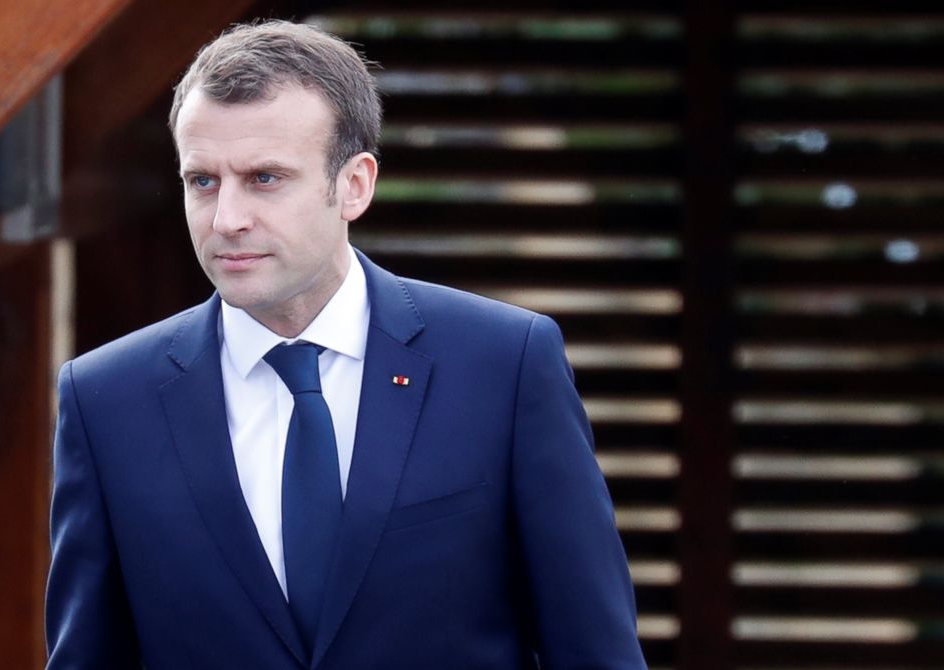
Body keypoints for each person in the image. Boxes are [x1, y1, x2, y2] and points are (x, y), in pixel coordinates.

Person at [45, 19, 647, 670]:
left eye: (266, 178)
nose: (227, 219)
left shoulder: (505, 364)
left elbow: (595, 652)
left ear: (354, 184)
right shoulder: (105, 400)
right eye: (203, 181)